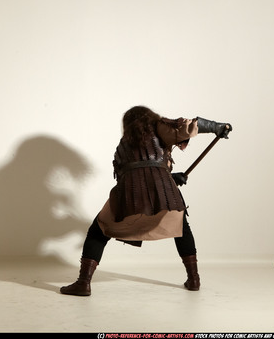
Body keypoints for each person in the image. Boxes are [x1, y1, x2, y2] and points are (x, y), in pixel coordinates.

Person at [60, 106, 232, 296]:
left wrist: (171, 177)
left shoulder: (122, 146)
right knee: (182, 229)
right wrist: (217, 127)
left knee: (98, 230)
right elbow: (186, 128)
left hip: (129, 201)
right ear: (149, 117)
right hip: (162, 196)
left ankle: (83, 283)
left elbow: (137, 175)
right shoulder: (158, 126)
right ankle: (194, 280)